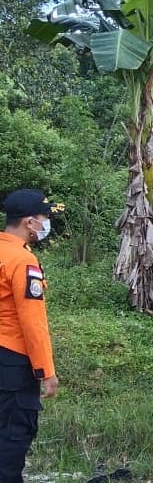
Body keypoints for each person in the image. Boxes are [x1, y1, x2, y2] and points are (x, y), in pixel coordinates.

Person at [0, 189, 62, 483]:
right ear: (29, 222)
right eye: (44, 218)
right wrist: (46, 371)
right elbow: (32, 322)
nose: (46, 223)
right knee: (12, 437)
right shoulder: (22, 262)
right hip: (11, 363)